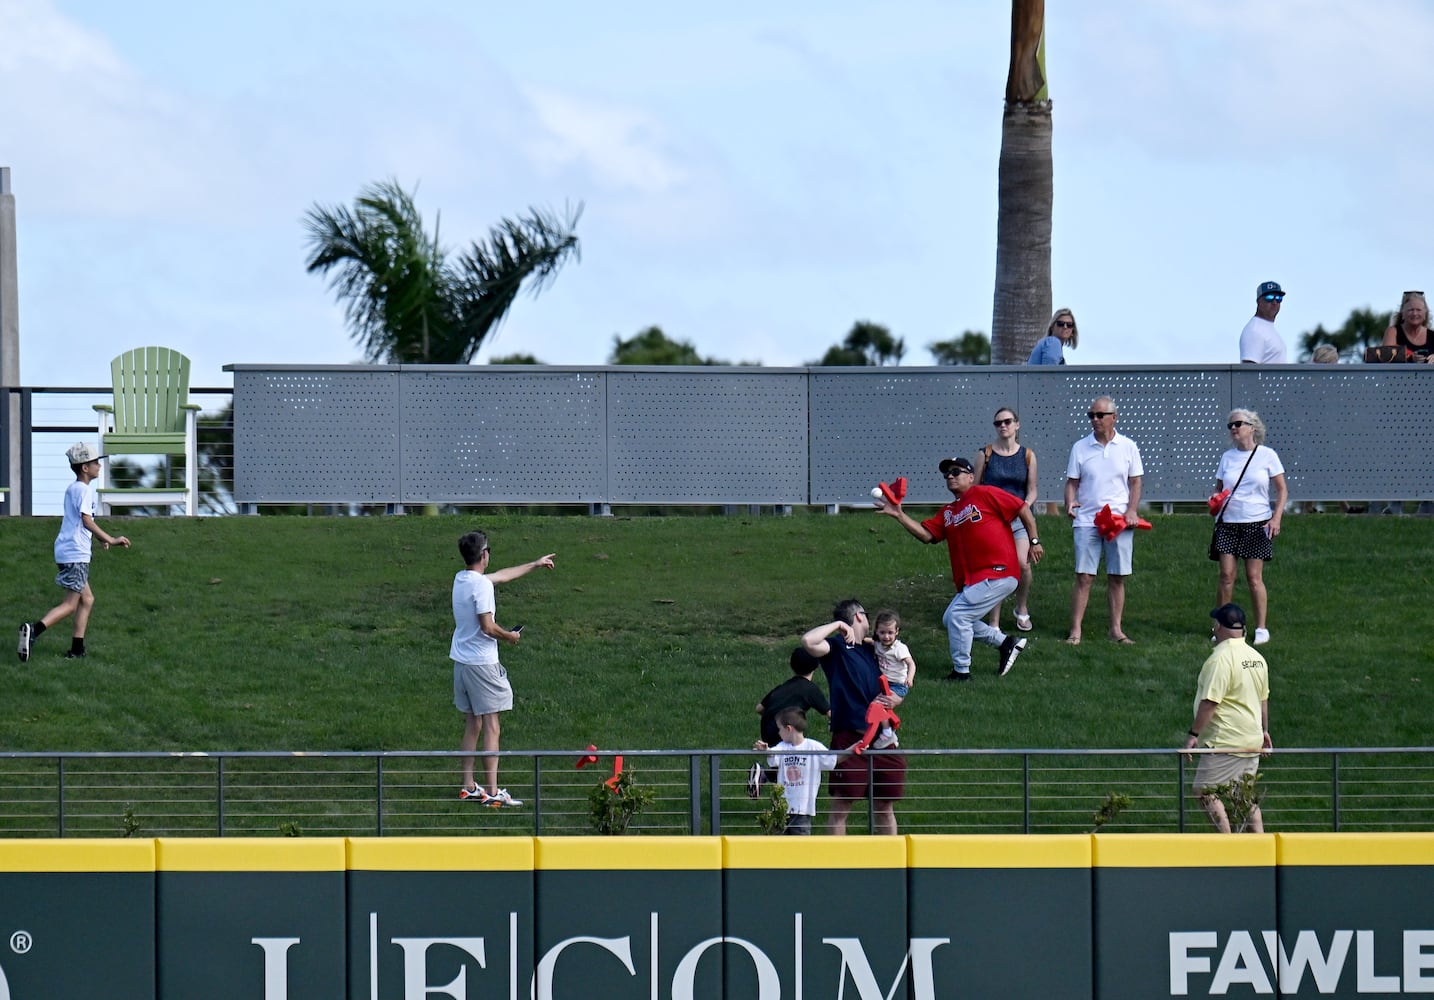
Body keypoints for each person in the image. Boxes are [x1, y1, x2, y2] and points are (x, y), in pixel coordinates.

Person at [875, 457, 1043, 680]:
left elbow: (1021, 508)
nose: (950, 476)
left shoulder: (984, 493)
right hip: (974, 580)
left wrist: (1033, 541)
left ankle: (961, 672)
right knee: (952, 619)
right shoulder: (949, 512)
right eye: (947, 474)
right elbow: (927, 535)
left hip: (998, 571)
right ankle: (1006, 643)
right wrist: (900, 515)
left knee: (959, 616)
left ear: (971, 477)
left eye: (956, 471)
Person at [450, 530, 555, 807]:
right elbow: (487, 626)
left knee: (473, 724)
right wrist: (510, 636)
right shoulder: (481, 586)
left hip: (461, 664)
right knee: (492, 727)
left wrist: (535, 563)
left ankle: (469, 786)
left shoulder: (462, 579)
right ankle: (494, 793)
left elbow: (503, 575)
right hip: (483, 665)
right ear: (484, 555)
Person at [18, 442, 132, 662]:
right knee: (71, 604)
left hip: (66, 550)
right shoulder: (84, 490)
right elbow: (86, 520)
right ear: (84, 468)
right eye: (95, 463)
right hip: (76, 553)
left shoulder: (73, 489)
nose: (99, 466)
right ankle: (33, 630)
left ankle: (77, 650)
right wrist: (110, 538)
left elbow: (82, 521)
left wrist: (99, 540)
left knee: (87, 599)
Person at [802, 599, 904, 834]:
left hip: (883, 739)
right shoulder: (836, 648)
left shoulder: (872, 649)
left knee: (885, 807)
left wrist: (898, 698)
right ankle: (839, 867)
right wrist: (838, 624)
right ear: (858, 616)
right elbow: (808, 641)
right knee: (841, 807)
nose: (869, 621)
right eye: (866, 615)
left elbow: (899, 675)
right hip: (851, 739)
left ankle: (890, 866)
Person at [1184, 603, 1271, 833]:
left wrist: (1193, 735)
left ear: (1219, 626)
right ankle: (1260, 849)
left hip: (1225, 741)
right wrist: (1264, 731)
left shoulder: (1220, 659)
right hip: (1252, 740)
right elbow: (1263, 700)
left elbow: (1211, 701)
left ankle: (1227, 843)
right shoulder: (1257, 657)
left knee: (1204, 790)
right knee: (1243, 796)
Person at [1064, 396, 1144, 645]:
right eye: (1091, 416)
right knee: (1084, 576)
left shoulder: (1128, 446)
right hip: (1087, 518)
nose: (1095, 420)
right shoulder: (1080, 447)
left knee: (1117, 576)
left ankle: (1116, 630)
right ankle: (1075, 631)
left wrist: (1132, 510)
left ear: (1114, 417)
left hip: (1119, 520)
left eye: (1100, 415)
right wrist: (1069, 502)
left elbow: (1135, 481)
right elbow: (1072, 482)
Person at [1212, 409, 1286, 645]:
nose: (1233, 429)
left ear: (1252, 427)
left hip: (1256, 521)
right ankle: (1221, 627)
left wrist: (1276, 519)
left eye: (1238, 424)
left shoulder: (1267, 456)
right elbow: (1220, 488)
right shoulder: (1227, 457)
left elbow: (1282, 490)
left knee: (1254, 577)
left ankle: (1261, 628)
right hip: (1228, 523)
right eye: (1230, 425)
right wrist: (1214, 500)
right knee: (1226, 576)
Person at [972, 406, 1039, 631]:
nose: (1003, 426)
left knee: (1023, 565)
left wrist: (1023, 507)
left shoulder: (1027, 455)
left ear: (1017, 425)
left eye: (1007, 421)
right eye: (998, 423)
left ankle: (1021, 608)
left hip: (1019, 518)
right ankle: (994, 622)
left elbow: (1032, 490)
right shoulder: (986, 454)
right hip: (993, 520)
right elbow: (975, 487)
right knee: (998, 569)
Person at [750, 647, 831, 795]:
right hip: (785, 729)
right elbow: (830, 713)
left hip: (768, 727)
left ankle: (767, 780)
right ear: (816, 666)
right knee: (793, 764)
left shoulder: (783, 686)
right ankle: (767, 776)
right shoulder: (810, 689)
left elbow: (759, 708)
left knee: (782, 763)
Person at [753, 707, 837, 835]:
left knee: (800, 844)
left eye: (780, 729)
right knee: (779, 843)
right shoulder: (782, 747)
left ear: (788, 729)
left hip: (802, 809)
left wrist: (852, 749)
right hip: (782, 808)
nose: (779, 733)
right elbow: (773, 756)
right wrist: (766, 750)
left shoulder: (813, 747)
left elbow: (831, 761)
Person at [868, 610, 914, 748]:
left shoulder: (899, 648)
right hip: (884, 684)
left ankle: (888, 732)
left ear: (897, 632)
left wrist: (910, 678)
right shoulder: (878, 644)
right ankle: (891, 722)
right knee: (880, 705)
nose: (886, 637)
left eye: (890, 633)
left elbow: (911, 663)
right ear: (876, 631)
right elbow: (868, 641)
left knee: (879, 704)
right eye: (882, 633)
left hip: (898, 685)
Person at [1239, 281, 1287, 364]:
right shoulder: (1254, 330)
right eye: (1269, 297)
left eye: (1278, 298)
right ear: (1259, 301)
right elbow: (1248, 371)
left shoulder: (1267, 328)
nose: (1274, 302)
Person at [1380, 291, 1432, 362]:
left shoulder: (1432, 335)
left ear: (1425, 314)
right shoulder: (1393, 332)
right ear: (1402, 313)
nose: (1414, 313)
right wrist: (1410, 357)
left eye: (1418, 310)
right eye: (1410, 310)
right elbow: (1386, 356)